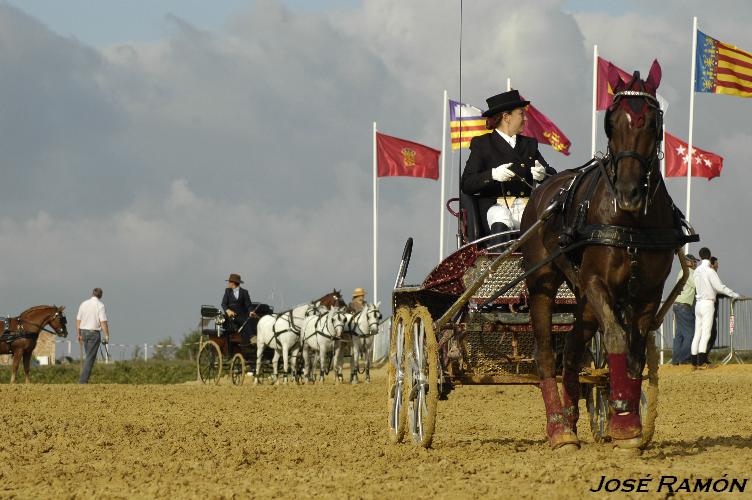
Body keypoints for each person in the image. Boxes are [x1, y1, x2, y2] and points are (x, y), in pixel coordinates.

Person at [461, 89, 556, 242]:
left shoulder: (529, 144)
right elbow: (467, 183)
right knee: (501, 216)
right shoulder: (483, 144)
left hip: (526, 208)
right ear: (506, 117)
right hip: (496, 208)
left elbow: (553, 177)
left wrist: (543, 174)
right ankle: (500, 264)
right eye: (521, 114)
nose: (525, 119)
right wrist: (492, 175)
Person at [691, 248, 742, 370]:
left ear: (700, 255)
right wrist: (735, 294)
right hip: (708, 303)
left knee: (697, 332)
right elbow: (720, 287)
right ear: (709, 257)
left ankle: (694, 362)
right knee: (706, 333)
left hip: (698, 303)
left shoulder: (696, 271)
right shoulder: (710, 271)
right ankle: (702, 362)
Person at [76, 287, 109, 384]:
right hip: (93, 333)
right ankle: (82, 382)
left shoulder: (83, 304)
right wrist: (106, 335)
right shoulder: (100, 305)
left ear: (92, 294)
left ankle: (83, 380)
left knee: (88, 357)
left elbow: (78, 319)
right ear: (101, 295)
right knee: (90, 358)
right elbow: (103, 322)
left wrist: (78, 333)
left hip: (83, 332)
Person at [671, 254, 698, 365]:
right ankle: (685, 359)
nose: (696, 264)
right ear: (688, 262)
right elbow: (697, 285)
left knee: (680, 335)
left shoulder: (682, 272)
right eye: (694, 261)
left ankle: (676, 359)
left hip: (678, 305)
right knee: (690, 334)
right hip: (683, 306)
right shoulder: (688, 272)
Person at [221, 274, 254, 341]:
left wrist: (251, 311)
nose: (228, 283)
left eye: (229, 282)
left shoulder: (244, 292)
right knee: (243, 321)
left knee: (248, 321)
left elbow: (249, 305)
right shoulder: (227, 291)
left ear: (233, 283)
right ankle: (252, 337)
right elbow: (223, 304)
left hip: (242, 316)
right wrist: (228, 311)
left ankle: (251, 339)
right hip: (230, 317)